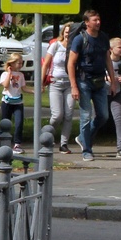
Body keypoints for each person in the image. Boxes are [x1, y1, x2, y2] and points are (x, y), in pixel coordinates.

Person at [67, 9, 111, 161]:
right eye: (94, 20)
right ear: (86, 23)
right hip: (84, 81)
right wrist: (73, 86)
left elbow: (108, 60)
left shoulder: (104, 37)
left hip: (100, 82)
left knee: (104, 116)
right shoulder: (80, 39)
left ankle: (82, 138)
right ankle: (86, 150)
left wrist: (112, 81)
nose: (98, 22)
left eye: (99, 20)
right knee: (85, 116)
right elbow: (71, 63)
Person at [42, 23, 76, 153]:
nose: (68, 34)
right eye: (66, 32)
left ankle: (64, 144)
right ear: (63, 32)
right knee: (57, 115)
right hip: (55, 83)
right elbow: (45, 64)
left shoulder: (74, 46)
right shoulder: (56, 45)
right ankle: (46, 135)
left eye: (70, 32)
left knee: (68, 115)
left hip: (69, 84)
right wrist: (41, 83)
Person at [106, 36, 121, 159]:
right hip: (103, 94)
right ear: (111, 49)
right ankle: (86, 142)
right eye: (119, 47)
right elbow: (99, 75)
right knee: (98, 118)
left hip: (116, 94)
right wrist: (108, 78)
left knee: (119, 119)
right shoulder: (105, 61)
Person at [0, 53, 26, 154]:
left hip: (18, 102)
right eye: (18, 63)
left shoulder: (21, 75)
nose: (20, 65)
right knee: (5, 124)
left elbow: (24, 88)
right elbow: (6, 86)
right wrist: (10, 74)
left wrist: (35, 91)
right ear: (12, 63)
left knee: (19, 123)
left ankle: (17, 144)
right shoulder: (5, 74)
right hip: (7, 102)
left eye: (21, 63)